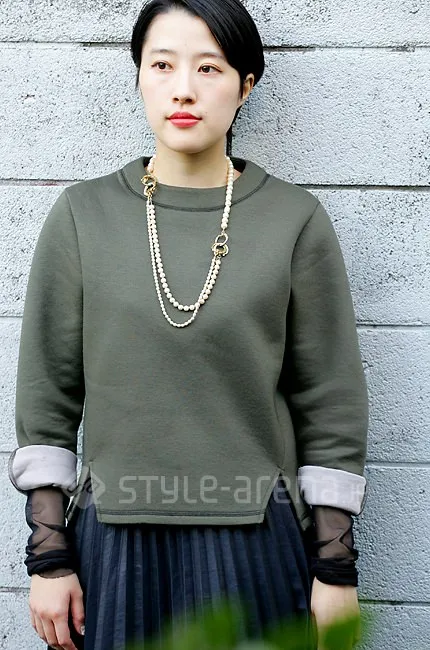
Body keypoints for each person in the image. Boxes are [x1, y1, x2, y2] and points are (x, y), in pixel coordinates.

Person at [8, 1, 369, 649]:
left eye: (209, 68)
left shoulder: (294, 219)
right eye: (162, 65)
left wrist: (335, 569)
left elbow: (330, 402)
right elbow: (47, 401)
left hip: (257, 536)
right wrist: (49, 558)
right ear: (139, 78)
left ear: (245, 86)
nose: (183, 89)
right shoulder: (83, 215)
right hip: (114, 539)